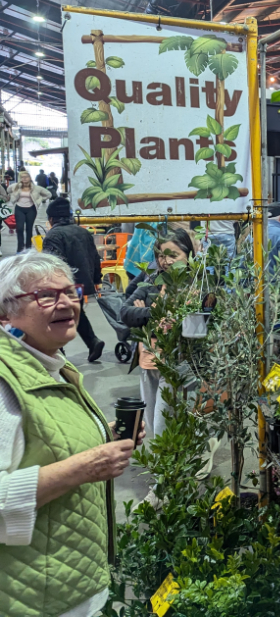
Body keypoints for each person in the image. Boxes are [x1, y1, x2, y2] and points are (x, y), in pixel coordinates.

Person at [0, 252, 143, 616]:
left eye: (71, 291)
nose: (66, 302)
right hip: (33, 597)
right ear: (6, 313)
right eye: (45, 296)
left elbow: (48, 441)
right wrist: (85, 466)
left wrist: (102, 435)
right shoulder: (6, 383)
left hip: (70, 582)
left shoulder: (50, 365)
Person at [121, 228, 198, 445]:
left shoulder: (198, 284)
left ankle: (172, 472)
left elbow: (190, 326)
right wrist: (153, 313)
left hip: (179, 363)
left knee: (168, 422)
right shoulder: (151, 280)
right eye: (161, 255)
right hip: (149, 360)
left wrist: (147, 315)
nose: (166, 261)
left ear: (188, 253)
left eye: (173, 255)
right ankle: (165, 472)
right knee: (154, 423)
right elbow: (125, 312)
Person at [41, 198, 105, 363]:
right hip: (82, 283)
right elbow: (95, 258)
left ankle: (58, 353)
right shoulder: (82, 232)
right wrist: (97, 279)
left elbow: (53, 264)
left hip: (63, 286)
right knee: (76, 312)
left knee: (56, 316)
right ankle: (92, 342)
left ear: (51, 219)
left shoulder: (53, 235)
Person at [13, 171, 51, 253]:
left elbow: (49, 194)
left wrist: (40, 199)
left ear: (30, 178)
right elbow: (8, 191)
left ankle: (28, 248)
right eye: (22, 177)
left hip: (31, 209)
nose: (24, 178)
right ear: (20, 178)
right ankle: (20, 248)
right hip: (19, 208)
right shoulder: (16, 187)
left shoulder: (36, 188)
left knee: (29, 229)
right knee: (19, 228)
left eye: (26, 176)